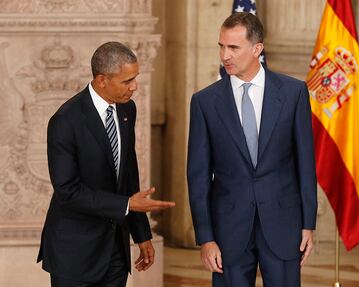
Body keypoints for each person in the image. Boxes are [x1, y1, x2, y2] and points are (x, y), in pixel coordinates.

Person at [187, 12, 317, 287]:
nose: (225, 55)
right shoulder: (205, 102)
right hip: (228, 231)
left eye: (233, 47)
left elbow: (305, 162)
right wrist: (206, 237)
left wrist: (308, 224)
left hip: (283, 223)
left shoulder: (294, 93)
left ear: (257, 49)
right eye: (221, 46)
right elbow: (197, 176)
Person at [37, 41, 175, 287]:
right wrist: (127, 204)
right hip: (75, 253)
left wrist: (142, 235)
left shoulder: (127, 110)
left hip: (115, 252)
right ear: (101, 80)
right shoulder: (65, 121)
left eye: (135, 78)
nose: (134, 87)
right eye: (126, 81)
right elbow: (67, 190)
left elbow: (128, 176)